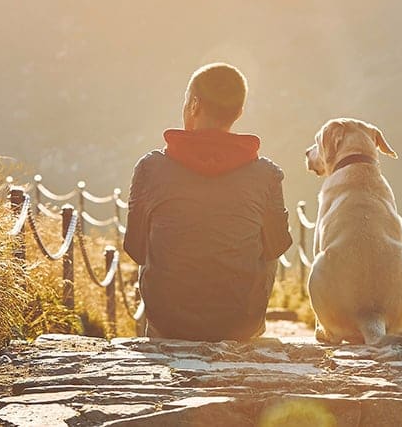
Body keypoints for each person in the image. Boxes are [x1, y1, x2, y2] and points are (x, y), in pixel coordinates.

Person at [122, 63, 291, 341]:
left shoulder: (150, 168)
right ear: (238, 112)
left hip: (169, 325)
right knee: (267, 244)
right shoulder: (266, 174)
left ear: (195, 104)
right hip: (240, 325)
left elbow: (136, 249)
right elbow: (278, 245)